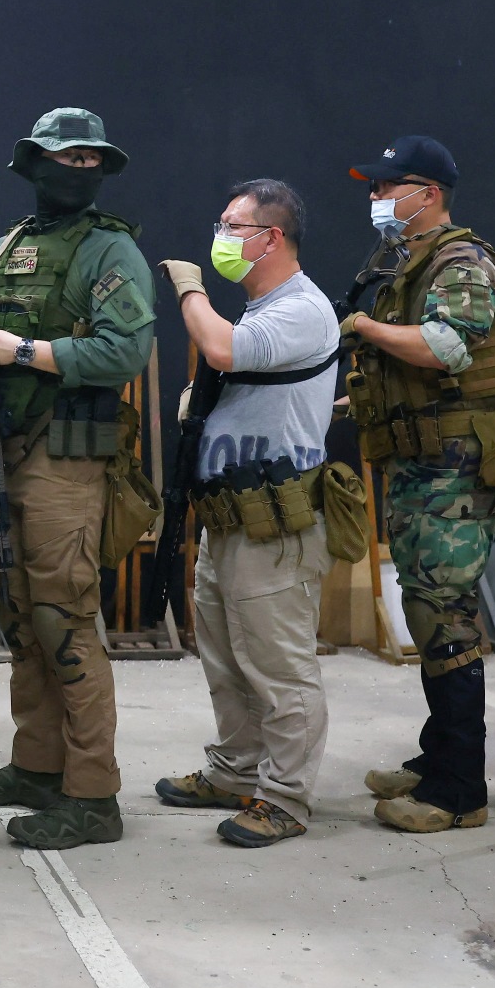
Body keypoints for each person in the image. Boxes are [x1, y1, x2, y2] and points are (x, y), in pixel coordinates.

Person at [0, 107, 156, 850]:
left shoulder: (109, 252)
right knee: (22, 615)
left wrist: (24, 351)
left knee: (64, 620)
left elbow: (124, 352)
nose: (81, 169)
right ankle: (37, 766)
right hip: (6, 454)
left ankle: (93, 795)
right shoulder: (7, 249)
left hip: (66, 459)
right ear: (34, 164)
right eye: (66, 158)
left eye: (91, 158)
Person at [341, 135, 495, 834]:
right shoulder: (416, 260)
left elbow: (447, 346)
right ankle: (438, 758)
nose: (375, 199)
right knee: (431, 606)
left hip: (455, 466)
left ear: (426, 193)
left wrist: (365, 326)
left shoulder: (461, 259)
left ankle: (459, 791)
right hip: (425, 461)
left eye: (385, 187)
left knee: (443, 612)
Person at [153, 179, 338, 848]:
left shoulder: (302, 309)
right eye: (222, 222)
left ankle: (285, 797)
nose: (223, 236)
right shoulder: (262, 310)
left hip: (276, 522)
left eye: (235, 227)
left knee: (279, 666)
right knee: (227, 658)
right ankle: (237, 771)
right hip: (229, 515)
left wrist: (189, 289)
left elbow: (222, 349)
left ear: (273, 238)